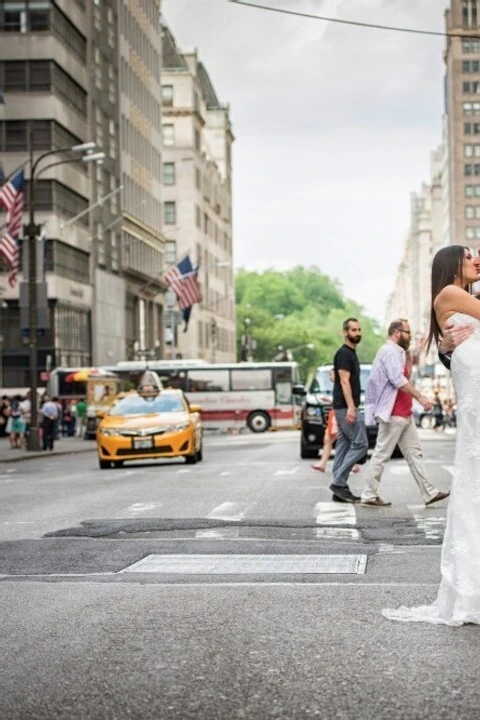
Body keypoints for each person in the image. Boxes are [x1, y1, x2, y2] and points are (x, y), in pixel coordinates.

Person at [383, 244, 480, 626]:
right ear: (451, 265)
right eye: (470, 255)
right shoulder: (450, 293)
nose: (475, 260)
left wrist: (445, 345)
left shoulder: (460, 299)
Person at [361, 319, 449, 507]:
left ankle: (429, 493)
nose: (409, 336)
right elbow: (397, 379)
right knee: (381, 453)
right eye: (407, 332)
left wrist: (407, 353)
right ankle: (368, 494)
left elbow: (403, 376)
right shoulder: (389, 351)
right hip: (394, 413)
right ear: (396, 333)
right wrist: (421, 397)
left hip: (405, 414)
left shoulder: (399, 352)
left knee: (414, 453)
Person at [329, 318, 368, 503]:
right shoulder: (344, 354)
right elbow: (344, 381)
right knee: (361, 445)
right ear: (345, 332)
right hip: (346, 407)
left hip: (343, 406)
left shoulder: (350, 353)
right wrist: (352, 407)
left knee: (343, 446)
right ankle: (338, 483)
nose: (357, 332)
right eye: (353, 330)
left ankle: (339, 489)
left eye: (359, 329)